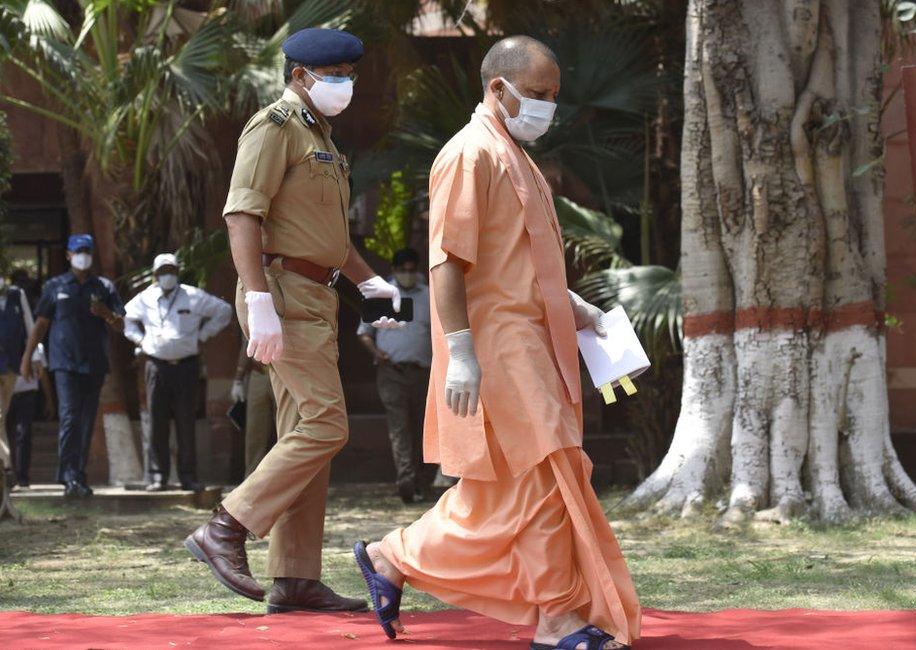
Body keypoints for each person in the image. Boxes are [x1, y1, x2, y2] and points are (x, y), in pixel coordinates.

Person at [352, 36, 641, 649]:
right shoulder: (470, 154)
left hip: (536, 341)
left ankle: (392, 557)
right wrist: (459, 349)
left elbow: (525, 267)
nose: (547, 107)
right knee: (546, 475)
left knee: (509, 495)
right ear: (497, 88)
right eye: (537, 95)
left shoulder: (516, 155)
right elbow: (446, 265)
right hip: (500, 347)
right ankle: (558, 618)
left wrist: (580, 310)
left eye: (553, 97)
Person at [184, 27, 406, 615]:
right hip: (281, 293)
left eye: (349, 74)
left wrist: (367, 279)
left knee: (304, 433)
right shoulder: (273, 127)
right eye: (335, 74)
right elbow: (241, 216)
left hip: (318, 295)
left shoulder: (320, 137)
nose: (346, 83)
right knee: (328, 425)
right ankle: (227, 527)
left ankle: (294, 577)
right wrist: (257, 301)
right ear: (301, 76)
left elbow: (327, 236)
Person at [21, 234, 125, 497]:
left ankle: (79, 475)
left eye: (87, 250)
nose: (83, 255)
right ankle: (68, 477)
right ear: (68, 255)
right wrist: (27, 357)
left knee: (87, 420)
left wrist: (106, 314)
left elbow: (121, 325)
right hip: (64, 364)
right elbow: (41, 324)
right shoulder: (55, 286)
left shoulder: (103, 286)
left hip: (95, 365)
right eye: (78, 250)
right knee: (69, 417)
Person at [124, 253, 232, 492]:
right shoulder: (145, 298)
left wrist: (203, 335)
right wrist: (140, 340)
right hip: (156, 366)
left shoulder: (193, 296)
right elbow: (127, 320)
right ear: (155, 275)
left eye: (171, 270)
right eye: (162, 272)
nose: (167, 275)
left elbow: (224, 311)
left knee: (186, 421)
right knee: (156, 422)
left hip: (186, 366)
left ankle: (188, 477)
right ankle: (158, 476)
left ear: (177, 271)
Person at [357, 247, 433, 503]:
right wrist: (377, 353)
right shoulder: (381, 296)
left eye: (412, 270)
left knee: (423, 429)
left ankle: (423, 481)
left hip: (424, 373)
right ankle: (406, 480)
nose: (408, 275)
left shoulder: (429, 296)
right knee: (399, 428)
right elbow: (364, 333)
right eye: (403, 270)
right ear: (394, 271)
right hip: (391, 372)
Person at [0, 273, 34, 488]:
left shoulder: (16, 295)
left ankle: (5, 469)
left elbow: (30, 326)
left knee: (2, 416)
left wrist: (33, 357)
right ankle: (6, 466)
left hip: (10, 366)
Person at [8, 344, 53, 489]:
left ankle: (22, 477)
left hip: (27, 395)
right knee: (7, 437)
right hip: (6, 395)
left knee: (23, 435)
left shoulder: (36, 347)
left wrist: (49, 400)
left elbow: (43, 374)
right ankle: (8, 475)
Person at [231, 342, 276, 477]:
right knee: (254, 432)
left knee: (287, 430)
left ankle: (288, 486)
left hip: (283, 374)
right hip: (258, 373)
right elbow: (247, 342)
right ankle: (251, 481)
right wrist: (238, 380)